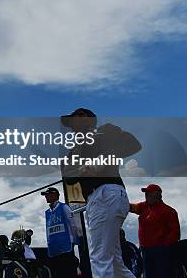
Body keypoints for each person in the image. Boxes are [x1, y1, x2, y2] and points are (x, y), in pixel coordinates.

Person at [61, 108, 141, 278]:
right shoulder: (74, 150)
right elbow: (68, 177)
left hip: (106, 193)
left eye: (77, 118)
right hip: (97, 199)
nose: (73, 125)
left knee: (100, 258)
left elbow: (133, 144)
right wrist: (80, 168)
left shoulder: (105, 132)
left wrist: (102, 161)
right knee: (114, 263)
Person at [129, 184, 180, 278]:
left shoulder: (169, 211)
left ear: (157, 195)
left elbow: (175, 232)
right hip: (145, 250)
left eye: (148, 193)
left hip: (160, 251)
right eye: (146, 194)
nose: (146, 196)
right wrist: (120, 203)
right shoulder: (144, 206)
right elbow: (132, 207)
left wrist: (164, 246)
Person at [41, 187, 80, 278]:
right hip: (54, 249)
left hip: (66, 248)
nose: (46, 197)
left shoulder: (64, 207)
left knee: (68, 273)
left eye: (48, 194)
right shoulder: (47, 212)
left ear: (54, 195)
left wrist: (75, 240)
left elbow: (73, 224)